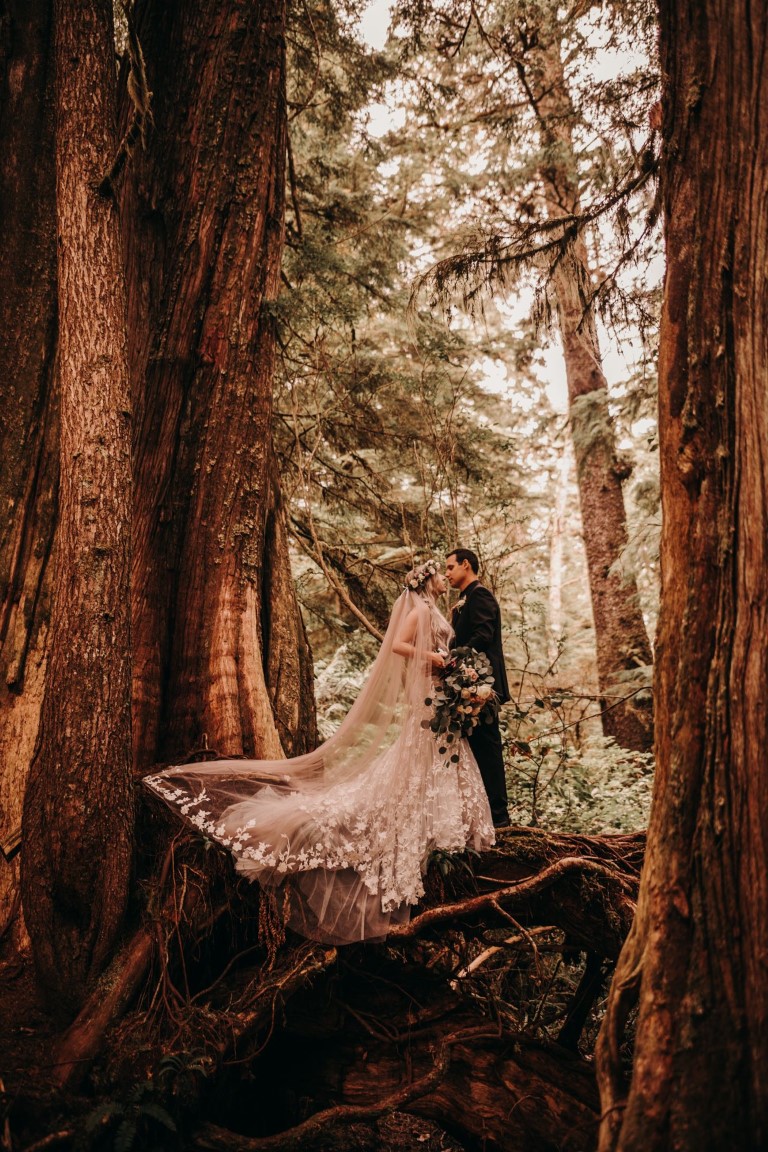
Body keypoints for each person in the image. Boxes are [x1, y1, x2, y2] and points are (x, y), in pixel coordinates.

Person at [144, 560, 494, 945]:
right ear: (427, 581)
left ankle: (447, 825)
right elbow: (398, 646)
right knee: (425, 753)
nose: (445, 578)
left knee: (437, 754)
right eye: (440, 574)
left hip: (439, 694)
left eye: (448, 572)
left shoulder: (436, 610)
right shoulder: (419, 609)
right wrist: (439, 661)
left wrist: (455, 669)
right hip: (429, 696)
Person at [445, 548, 511, 828]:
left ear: (466, 565)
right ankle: (485, 817)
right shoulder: (464, 599)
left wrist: (453, 658)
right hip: (469, 685)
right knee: (476, 748)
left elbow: (483, 635)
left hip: (482, 686)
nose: (447, 573)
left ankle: (500, 818)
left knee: (488, 748)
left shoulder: (479, 595)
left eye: (450, 567)